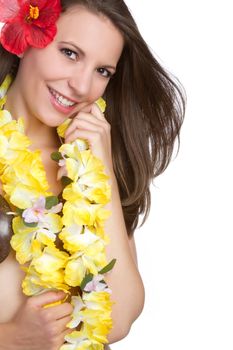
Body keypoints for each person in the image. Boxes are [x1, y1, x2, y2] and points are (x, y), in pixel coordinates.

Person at [0, 0, 185, 349]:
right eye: (69, 53)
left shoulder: (88, 165)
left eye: (103, 71)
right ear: (24, 37)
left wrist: (104, 172)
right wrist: (11, 338)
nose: (82, 86)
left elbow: (118, 319)